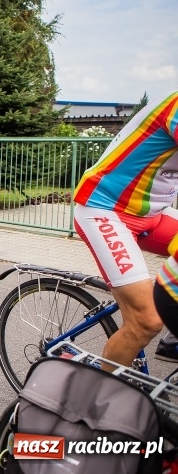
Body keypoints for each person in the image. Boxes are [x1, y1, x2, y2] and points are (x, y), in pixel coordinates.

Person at [73, 89, 178, 367]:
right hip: (105, 210)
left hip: (152, 213)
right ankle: (99, 402)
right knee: (146, 321)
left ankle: (173, 336)